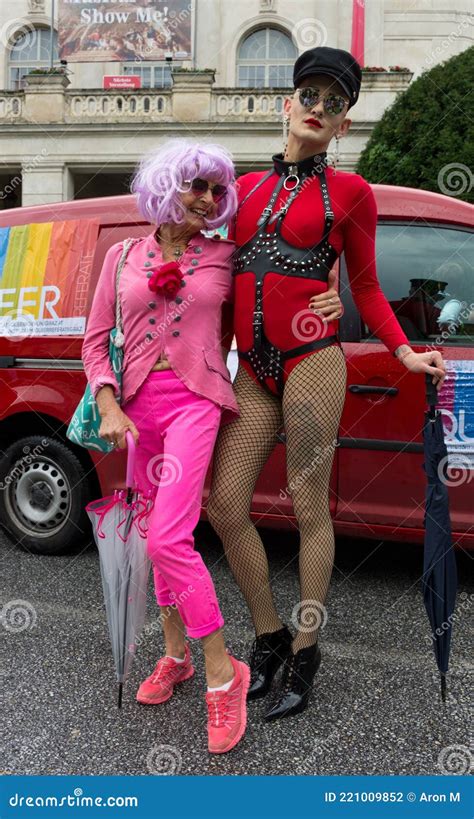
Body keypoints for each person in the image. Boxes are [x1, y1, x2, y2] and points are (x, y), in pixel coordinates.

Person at [207, 46, 447, 722]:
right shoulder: (241, 189)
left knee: (310, 505)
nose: (318, 108)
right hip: (252, 369)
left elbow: (365, 285)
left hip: (312, 360)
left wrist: (403, 352)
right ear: (287, 104)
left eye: (334, 103)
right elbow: (217, 280)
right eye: (309, 96)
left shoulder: (352, 193)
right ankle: (268, 633)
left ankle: (307, 648)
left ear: (344, 124)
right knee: (225, 504)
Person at [82, 140, 253, 754]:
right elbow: (95, 341)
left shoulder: (229, 257)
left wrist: (326, 295)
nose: (207, 199)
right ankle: (175, 656)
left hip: (195, 401)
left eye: (216, 190)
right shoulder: (121, 256)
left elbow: (263, 315)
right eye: (195, 185)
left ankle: (222, 674)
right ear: (165, 185)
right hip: (137, 413)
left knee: (166, 538)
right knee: (155, 536)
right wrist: (107, 403)